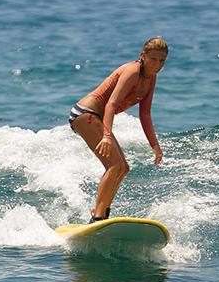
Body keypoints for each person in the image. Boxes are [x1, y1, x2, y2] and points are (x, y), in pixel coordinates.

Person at [69, 37, 167, 223]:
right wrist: (106, 136)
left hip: (95, 117)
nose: (157, 65)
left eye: (162, 61)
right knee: (114, 166)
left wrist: (155, 146)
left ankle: (101, 212)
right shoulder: (132, 72)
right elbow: (111, 105)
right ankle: (98, 217)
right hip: (86, 114)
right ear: (143, 56)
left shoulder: (151, 78)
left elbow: (145, 114)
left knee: (123, 168)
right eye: (153, 59)